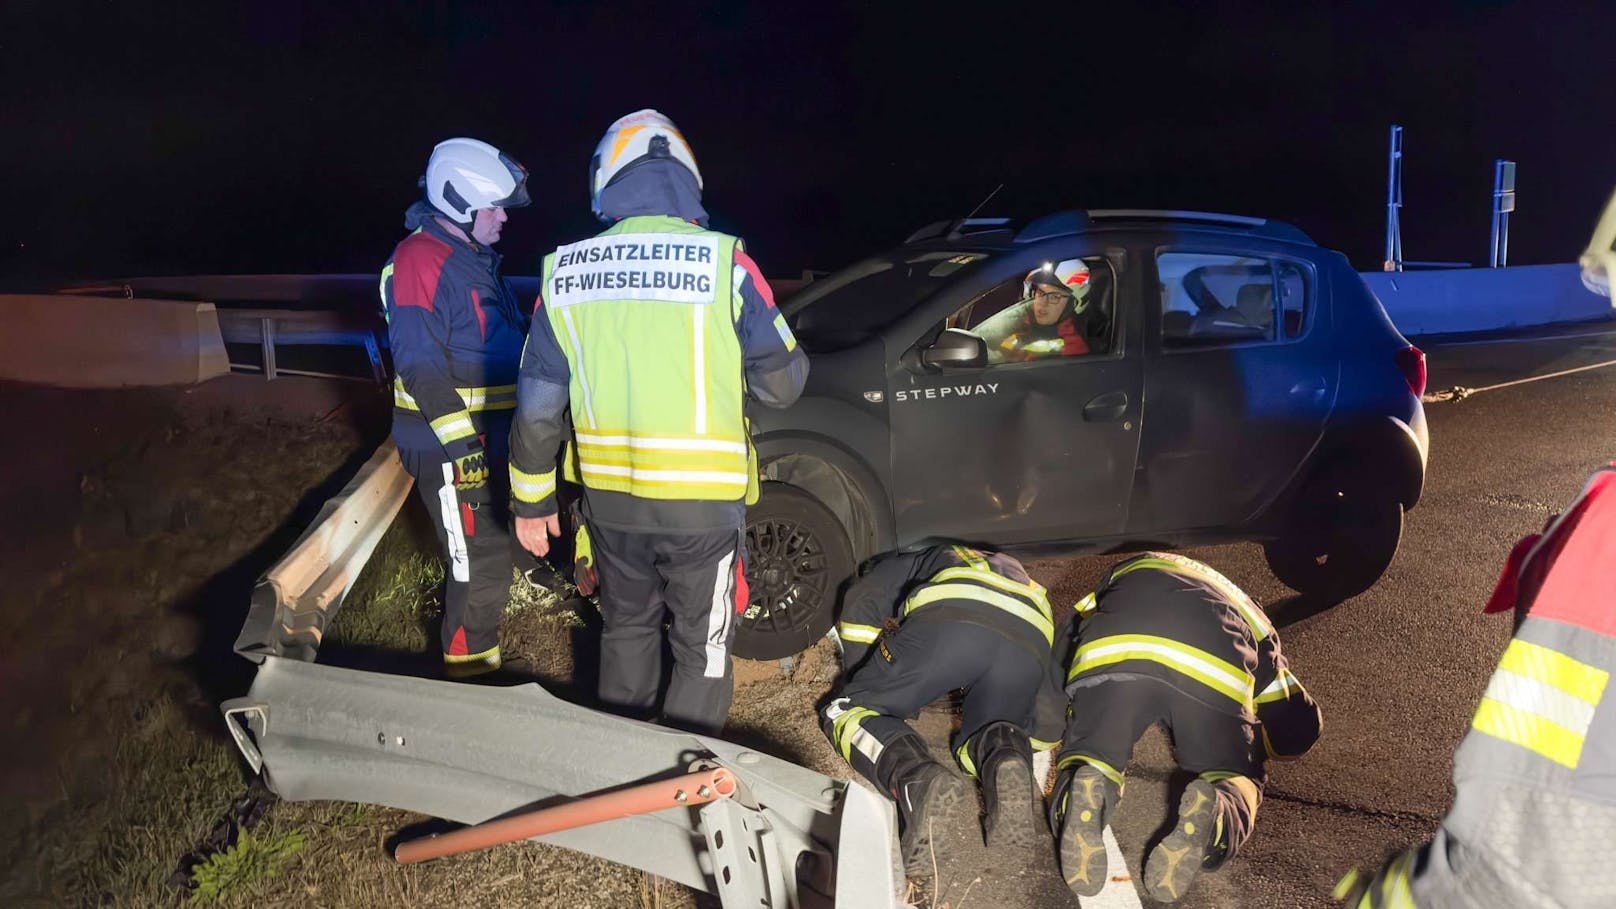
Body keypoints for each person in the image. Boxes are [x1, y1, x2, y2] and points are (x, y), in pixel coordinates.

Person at [507, 109, 809, 735]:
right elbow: (784, 385)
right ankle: (684, 786)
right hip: (702, 509)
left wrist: (531, 502)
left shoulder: (564, 275)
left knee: (626, 631)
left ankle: (626, 777)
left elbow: (538, 405)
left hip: (612, 506)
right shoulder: (727, 266)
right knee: (703, 647)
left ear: (606, 181)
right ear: (688, 179)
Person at [1054, 552, 1321, 902]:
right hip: (1212, 661)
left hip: (1119, 642)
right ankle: (1216, 819)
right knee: (1237, 776)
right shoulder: (1255, 622)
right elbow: (1298, 728)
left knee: (1091, 756)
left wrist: (1042, 727)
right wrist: (1259, 747)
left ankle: (1082, 788)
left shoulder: (1129, 569)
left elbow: (1066, 639)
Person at [380, 137, 531, 680]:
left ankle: (479, 659)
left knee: (492, 554)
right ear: (461, 203)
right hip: (449, 445)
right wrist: (463, 447)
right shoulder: (420, 259)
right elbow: (420, 365)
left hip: (483, 438)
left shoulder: (475, 262)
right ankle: (469, 678)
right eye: (494, 207)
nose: (503, 219)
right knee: (477, 563)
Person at [822, 544, 1066, 872]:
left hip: (955, 618)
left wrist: (862, 678)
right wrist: (1028, 738)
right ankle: (1006, 757)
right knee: (986, 735)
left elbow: (860, 599)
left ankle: (915, 778)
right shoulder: (1019, 575)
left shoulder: (922, 557)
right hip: (1030, 636)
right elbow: (1050, 700)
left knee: (845, 712)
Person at [976, 260, 1093, 363]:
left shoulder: (1074, 351)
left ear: (1074, 303)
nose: (1043, 302)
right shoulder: (1020, 323)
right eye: (1040, 292)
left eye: (1055, 296)